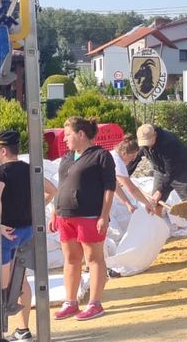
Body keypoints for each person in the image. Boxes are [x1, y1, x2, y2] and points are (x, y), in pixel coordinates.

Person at [50, 117, 117, 321]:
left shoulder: (101, 156)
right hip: (65, 215)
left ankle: (95, 303)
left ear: (81, 134)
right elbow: (61, 184)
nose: (65, 139)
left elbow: (109, 188)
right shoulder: (68, 157)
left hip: (89, 215)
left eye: (68, 135)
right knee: (71, 259)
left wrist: (104, 216)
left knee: (94, 259)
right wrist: (55, 210)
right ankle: (70, 302)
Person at [0, 130, 56, 340]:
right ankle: (23, 329)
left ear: (3, 150)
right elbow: (51, 190)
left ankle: (0, 331)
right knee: (22, 280)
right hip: (27, 231)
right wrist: (36, 212)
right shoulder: (29, 169)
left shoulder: (1, 172)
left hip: (7, 233)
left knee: (2, 285)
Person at [130, 125, 187, 253]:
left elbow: (171, 171)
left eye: (148, 143)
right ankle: (156, 238)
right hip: (160, 171)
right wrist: (125, 174)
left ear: (154, 135)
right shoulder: (144, 143)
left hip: (182, 172)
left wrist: (159, 191)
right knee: (156, 205)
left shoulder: (168, 142)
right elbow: (136, 159)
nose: (146, 146)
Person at [111, 136, 155, 213]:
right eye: (132, 156)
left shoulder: (113, 154)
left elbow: (114, 186)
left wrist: (128, 204)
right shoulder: (118, 163)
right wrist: (147, 203)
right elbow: (132, 189)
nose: (133, 159)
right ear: (124, 153)